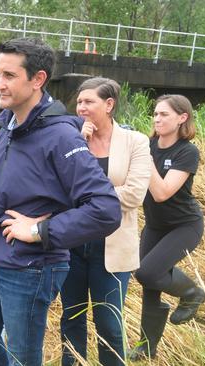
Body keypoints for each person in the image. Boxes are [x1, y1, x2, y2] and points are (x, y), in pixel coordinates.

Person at [0, 37, 122, 366]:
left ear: (37, 80)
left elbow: (105, 208)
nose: (0, 85)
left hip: (31, 267)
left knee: (24, 356)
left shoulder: (60, 135)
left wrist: (40, 229)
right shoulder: (7, 128)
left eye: (9, 76)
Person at [59, 77, 151, 366]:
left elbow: (134, 194)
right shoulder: (70, 140)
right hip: (73, 244)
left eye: (89, 102)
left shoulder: (135, 141)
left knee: (109, 323)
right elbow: (59, 189)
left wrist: (87, 198)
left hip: (112, 247)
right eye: (79, 102)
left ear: (109, 104)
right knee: (71, 317)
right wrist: (79, 142)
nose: (81, 107)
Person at [129, 94, 205, 360]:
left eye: (164, 115)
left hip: (184, 225)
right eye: (156, 114)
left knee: (148, 273)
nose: (157, 119)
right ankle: (146, 348)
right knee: (150, 286)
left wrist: (146, 157)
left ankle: (192, 292)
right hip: (155, 225)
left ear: (182, 118)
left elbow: (162, 192)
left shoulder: (187, 151)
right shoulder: (148, 143)